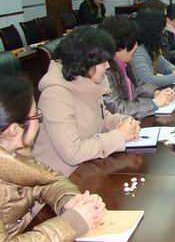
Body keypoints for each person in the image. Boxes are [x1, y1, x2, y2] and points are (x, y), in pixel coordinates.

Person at [0, 75, 106, 242]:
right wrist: (72, 223)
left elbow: (49, 180)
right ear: (14, 129)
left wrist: (68, 201)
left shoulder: (16, 153)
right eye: (36, 116)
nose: (39, 122)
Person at [32, 27, 140, 176]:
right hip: (62, 180)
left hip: (89, 169)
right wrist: (119, 136)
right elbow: (72, 152)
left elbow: (102, 119)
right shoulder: (55, 95)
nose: (108, 66)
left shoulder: (87, 82)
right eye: (103, 62)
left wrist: (123, 121)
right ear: (85, 63)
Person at [99, 16, 175, 118]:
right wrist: (153, 103)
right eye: (134, 41)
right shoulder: (104, 71)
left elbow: (138, 87)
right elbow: (115, 108)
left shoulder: (126, 62)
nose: (136, 46)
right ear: (122, 45)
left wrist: (156, 92)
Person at [132, 7, 175, 87]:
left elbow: (162, 64)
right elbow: (148, 80)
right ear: (153, 30)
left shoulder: (149, 45)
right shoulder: (137, 51)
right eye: (161, 29)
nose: (163, 32)